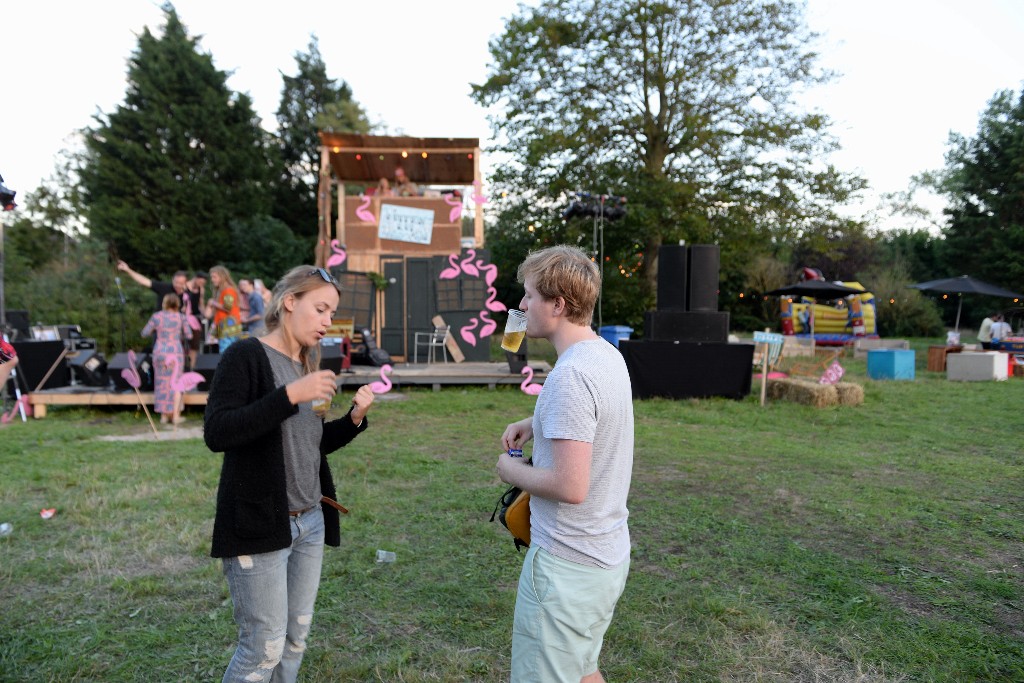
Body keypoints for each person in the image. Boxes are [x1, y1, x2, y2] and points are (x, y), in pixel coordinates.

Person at [204, 265, 375, 682]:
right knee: (262, 647)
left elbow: (309, 444)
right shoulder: (246, 356)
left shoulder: (305, 364)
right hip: (261, 525)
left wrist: (354, 418)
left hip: (309, 522)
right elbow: (218, 431)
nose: (326, 321)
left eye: (331, 314)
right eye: (320, 309)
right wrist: (289, 396)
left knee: (295, 638)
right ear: (289, 302)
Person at [495, 245, 634, 683]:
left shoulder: (569, 377)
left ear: (558, 304)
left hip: (566, 569)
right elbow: (593, 420)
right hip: (605, 558)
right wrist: (533, 421)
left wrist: (509, 470)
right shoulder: (605, 355)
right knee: (582, 671)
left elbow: (571, 486)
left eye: (530, 295)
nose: (520, 305)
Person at [142, 293, 192, 425]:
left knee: (161, 383)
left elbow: (144, 333)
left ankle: (164, 416)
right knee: (175, 383)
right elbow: (189, 334)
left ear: (164, 303)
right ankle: (175, 415)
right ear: (177, 304)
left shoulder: (157, 316)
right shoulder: (181, 317)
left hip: (160, 351)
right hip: (175, 351)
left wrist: (156, 329)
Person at [205, 265, 243, 352]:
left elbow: (227, 307)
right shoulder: (221, 290)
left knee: (225, 352)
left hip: (228, 327)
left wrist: (213, 302)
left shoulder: (228, 290)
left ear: (222, 276)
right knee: (215, 347)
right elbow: (208, 315)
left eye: (214, 277)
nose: (212, 279)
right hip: (220, 325)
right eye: (212, 277)